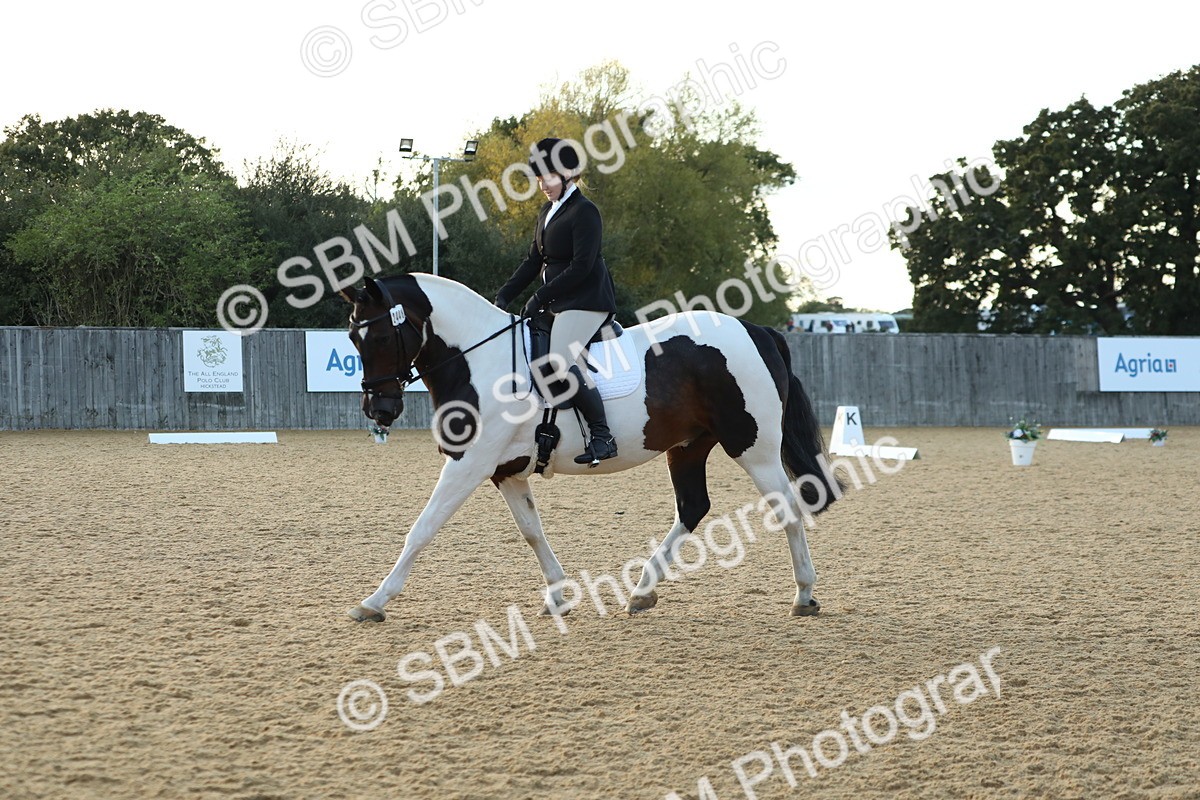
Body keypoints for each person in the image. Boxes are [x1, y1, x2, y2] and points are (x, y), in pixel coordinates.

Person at [494, 137, 619, 465]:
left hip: (587, 300)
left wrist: (539, 296)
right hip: (559, 303)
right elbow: (533, 261)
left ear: (567, 175)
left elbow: (582, 267)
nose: (542, 186)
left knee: (561, 360)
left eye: (547, 178)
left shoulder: (585, 212)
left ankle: (602, 436)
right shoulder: (547, 212)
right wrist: (504, 296)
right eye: (538, 179)